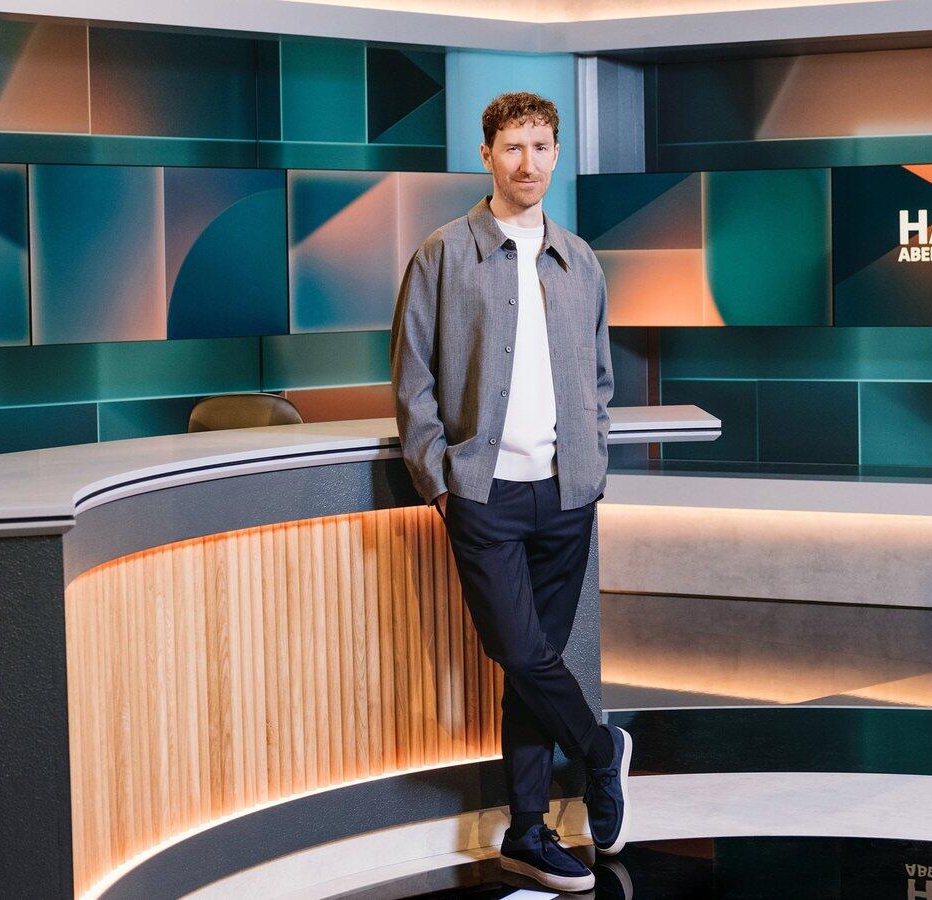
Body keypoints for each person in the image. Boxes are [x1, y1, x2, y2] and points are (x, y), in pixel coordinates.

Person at [389, 90, 630, 894]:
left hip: (566, 496)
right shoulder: (443, 254)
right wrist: (441, 481)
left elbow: (600, 380)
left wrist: (591, 466)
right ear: (487, 155)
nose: (529, 163)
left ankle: (527, 831)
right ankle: (601, 751)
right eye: (514, 147)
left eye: (542, 146)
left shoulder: (580, 260)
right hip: (484, 495)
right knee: (520, 652)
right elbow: (413, 380)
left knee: (536, 667)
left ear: (557, 154)